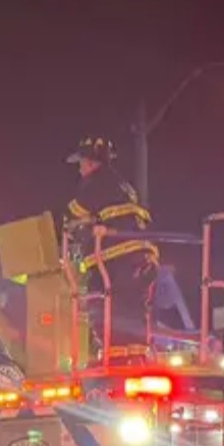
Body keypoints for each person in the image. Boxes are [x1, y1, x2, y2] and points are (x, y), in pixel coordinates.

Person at [63, 136, 160, 356]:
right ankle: (135, 357)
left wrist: (65, 230)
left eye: (81, 163)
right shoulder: (123, 185)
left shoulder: (96, 183)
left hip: (117, 259)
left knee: (108, 311)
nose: (80, 169)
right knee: (133, 313)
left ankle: (116, 358)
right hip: (144, 256)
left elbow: (72, 214)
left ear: (90, 163)